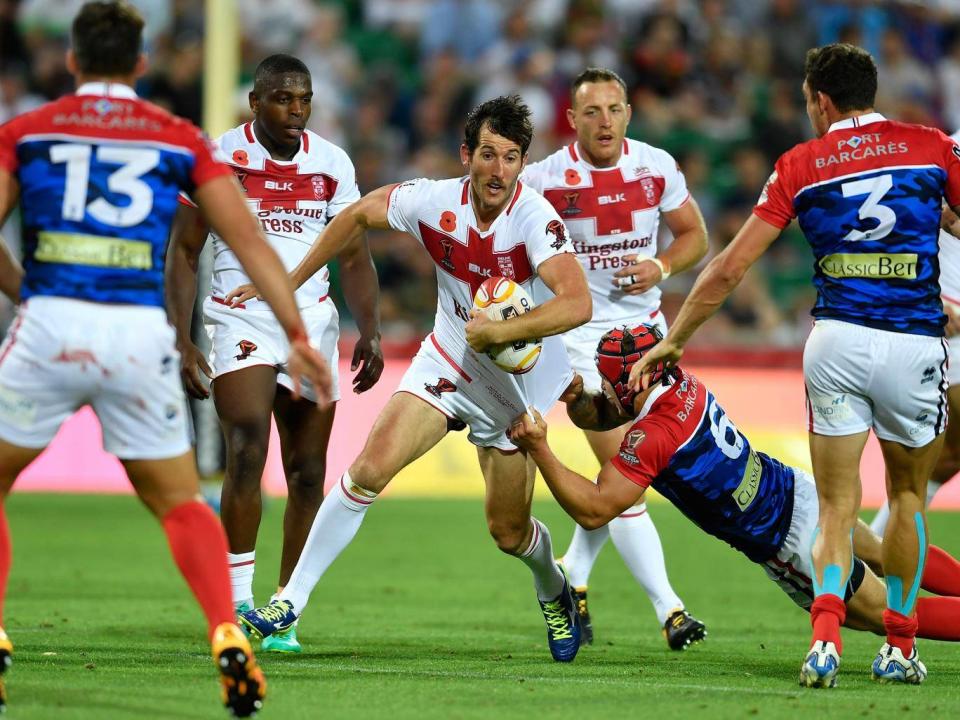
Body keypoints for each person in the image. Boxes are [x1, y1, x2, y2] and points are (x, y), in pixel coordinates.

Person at [0, 2, 331, 715]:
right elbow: (243, 238)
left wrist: (27, 290)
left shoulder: (26, 131)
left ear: (71, 61)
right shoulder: (178, 136)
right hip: (137, 335)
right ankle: (226, 632)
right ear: (142, 65)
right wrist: (298, 333)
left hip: (53, 321)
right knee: (182, 502)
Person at [630, 43, 960, 687]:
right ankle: (898, 646)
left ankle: (825, 642)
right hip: (915, 344)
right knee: (907, 497)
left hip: (836, 342)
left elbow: (729, 267)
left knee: (837, 506)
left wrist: (676, 338)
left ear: (821, 100)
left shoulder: (800, 164)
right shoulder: (930, 146)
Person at [235, 95, 595, 662]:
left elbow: (578, 303)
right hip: (449, 359)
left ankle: (552, 586)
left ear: (523, 164)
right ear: (465, 156)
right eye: (487, 154)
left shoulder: (534, 218)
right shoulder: (431, 201)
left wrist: (503, 332)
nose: (497, 170)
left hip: (514, 387)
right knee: (368, 470)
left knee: (508, 532)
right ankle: (290, 600)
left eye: (510, 157)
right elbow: (354, 215)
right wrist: (288, 278)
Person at [508, 324, 960, 663]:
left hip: (783, 539)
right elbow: (610, 412)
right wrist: (575, 399)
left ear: (633, 383)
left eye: (607, 383)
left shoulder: (654, 437)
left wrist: (540, 448)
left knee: (890, 612)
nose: (604, 390)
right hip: (791, 488)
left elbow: (593, 510)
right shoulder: (681, 382)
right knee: (885, 553)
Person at [168, 53, 383, 654]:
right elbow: (185, 251)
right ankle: (237, 601)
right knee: (245, 450)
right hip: (237, 314)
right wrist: (182, 338)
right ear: (255, 102)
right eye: (284, 99)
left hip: (312, 319)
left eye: (304, 99)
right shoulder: (218, 156)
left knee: (309, 473)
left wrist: (369, 328)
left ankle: (284, 609)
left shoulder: (332, 164)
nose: (297, 110)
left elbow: (354, 256)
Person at [521, 66, 708, 649]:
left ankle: (575, 574)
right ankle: (670, 609)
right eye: (592, 112)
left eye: (615, 109)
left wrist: (662, 266)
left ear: (629, 113)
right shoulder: (542, 179)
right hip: (578, 339)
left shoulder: (655, 167)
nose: (605, 121)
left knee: (627, 474)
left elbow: (695, 237)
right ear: (572, 119)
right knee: (624, 469)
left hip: (646, 339)